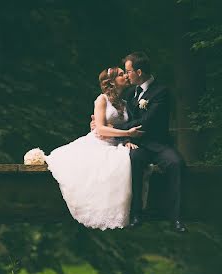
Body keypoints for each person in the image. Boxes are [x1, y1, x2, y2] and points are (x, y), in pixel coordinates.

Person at [45, 67, 143, 230]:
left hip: (117, 144)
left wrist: (126, 138)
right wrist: (127, 133)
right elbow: (100, 129)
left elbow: (127, 123)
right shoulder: (102, 100)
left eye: (124, 73)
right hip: (99, 142)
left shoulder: (126, 103)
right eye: (120, 74)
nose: (125, 76)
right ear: (111, 82)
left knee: (124, 162)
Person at [118, 51, 187, 232]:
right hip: (138, 145)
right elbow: (127, 116)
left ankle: (176, 219)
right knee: (132, 162)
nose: (126, 75)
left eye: (128, 71)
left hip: (159, 145)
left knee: (176, 163)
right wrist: (125, 136)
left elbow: (148, 121)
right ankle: (136, 215)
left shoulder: (161, 91)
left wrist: (118, 127)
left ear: (139, 72)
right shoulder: (131, 92)